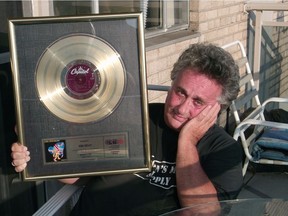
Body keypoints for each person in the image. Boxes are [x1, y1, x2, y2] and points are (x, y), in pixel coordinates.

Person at [11, 43, 243, 216]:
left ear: (218, 108)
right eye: (180, 92)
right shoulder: (133, 117)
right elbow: (76, 175)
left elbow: (201, 213)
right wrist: (37, 154)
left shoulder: (223, 151)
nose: (182, 108)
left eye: (198, 102)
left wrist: (187, 142)